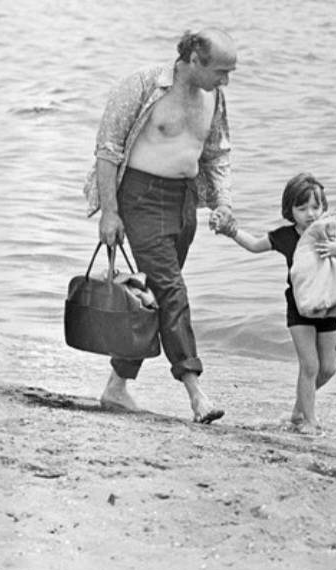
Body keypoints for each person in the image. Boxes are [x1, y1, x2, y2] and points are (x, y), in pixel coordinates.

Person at [82, 28, 238, 424]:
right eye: (220, 71)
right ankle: (195, 390)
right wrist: (110, 212)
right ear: (194, 60)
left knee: (154, 295)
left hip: (184, 200)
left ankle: (116, 386)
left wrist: (224, 203)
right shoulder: (143, 84)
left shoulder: (213, 97)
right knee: (171, 290)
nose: (225, 80)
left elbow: (217, 154)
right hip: (140, 196)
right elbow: (108, 147)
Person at [219, 173, 336, 434]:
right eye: (302, 208)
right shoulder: (284, 237)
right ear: (290, 210)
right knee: (310, 366)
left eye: (316, 207)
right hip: (299, 309)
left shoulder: (331, 232)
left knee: (328, 368)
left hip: (328, 305)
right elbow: (254, 245)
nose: (310, 214)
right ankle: (309, 420)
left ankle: (298, 410)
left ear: (324, 207)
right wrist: (231, 230)